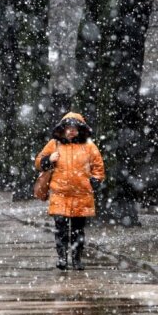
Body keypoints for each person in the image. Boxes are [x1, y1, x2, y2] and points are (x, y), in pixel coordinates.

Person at [35, 112, 105, 270]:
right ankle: (62, 258)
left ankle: (76, 259)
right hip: (60, 194)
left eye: (75, 128)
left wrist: (93, 182)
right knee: (61, 228)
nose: (71, 131)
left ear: (80, 129)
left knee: (78, 230)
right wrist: (48, 160)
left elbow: (98, 167)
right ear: (63, 129)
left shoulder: (89, 146)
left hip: (82, 196)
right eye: (68, 128)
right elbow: (39, 162)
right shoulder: (54, 144)